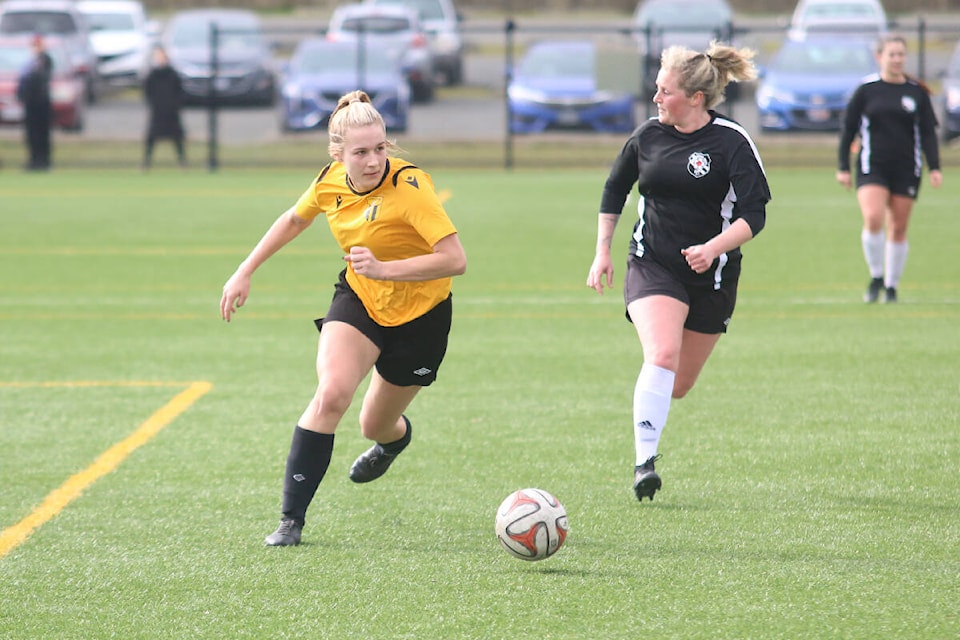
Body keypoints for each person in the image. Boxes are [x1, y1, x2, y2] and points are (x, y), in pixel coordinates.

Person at [220, 90, 467, 547]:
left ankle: (392, 443)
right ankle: (290, 522)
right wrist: (244, 270)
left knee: (374, 425)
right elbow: (294, 220)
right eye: (360, 152)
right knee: (332, 394)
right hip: (361, 300)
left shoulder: (412, 190)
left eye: (380, 148)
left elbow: (455, 259)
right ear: (338, 154)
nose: (373, 161)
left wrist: (385, 268)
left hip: (422, 319)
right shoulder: (329, 181)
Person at [586, 42, 770, 503]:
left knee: (679, 386)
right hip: (653, 264)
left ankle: (651, 420)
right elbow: (614, 190)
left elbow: (755, 214)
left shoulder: (732, 142)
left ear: (695, 98)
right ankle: (644, 462)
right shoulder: (647, 136)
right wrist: (602, 251)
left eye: (664, 92)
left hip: (713, 276)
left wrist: (713, 248)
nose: (656, 99)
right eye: (656, 89)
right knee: (663, 355)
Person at [836, 34, 942, 304]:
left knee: (898, 227)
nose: (896, 59)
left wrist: (935, 167)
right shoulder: (867, 90)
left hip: (907, 167)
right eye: (891, 54)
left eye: (900, 54)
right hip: (873, 164)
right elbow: (848, 129)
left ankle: (892, 286)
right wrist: (843, 167)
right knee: (873, 218)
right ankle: (876, 277)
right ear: (879, 56)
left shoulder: (916, 92)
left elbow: (928, 133)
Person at [143, 46, 186, 169]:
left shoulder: (173, 75)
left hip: (172, 112)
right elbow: (148, 93)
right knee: (152, 138)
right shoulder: (152, 75)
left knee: (177, 138)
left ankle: (183, 163)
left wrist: (175, 105)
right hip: (158, 112)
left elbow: (180, 92)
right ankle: (147, 163)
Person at [17, 34, 53, 171]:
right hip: (30, 103)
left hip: (41, 102)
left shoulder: (45, 60)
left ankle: (43, 160)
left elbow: (40, 78)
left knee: (42, 133)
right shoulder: (30, 62)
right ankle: (34, 159)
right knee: (32, 133)